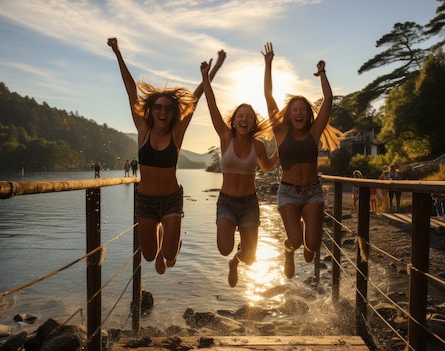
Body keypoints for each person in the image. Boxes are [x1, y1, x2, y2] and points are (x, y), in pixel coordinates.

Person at [108, 37, 225, 274]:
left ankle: (170, 247)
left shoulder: (177, 132)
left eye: (168, 108)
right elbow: (131, 91)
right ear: (151, 110)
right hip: (146, 201)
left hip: (171, 198)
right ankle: (161, 241)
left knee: (169, 255)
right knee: (149, 256)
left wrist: (212, 70)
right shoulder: (143, 130)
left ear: (173, 113)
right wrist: (118, 52)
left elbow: (197, 96)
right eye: (158, 107)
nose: (163, 111)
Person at [262, 42, 343, 279]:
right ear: (288, 114)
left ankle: (306, 244)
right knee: (296, 241)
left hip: (313, 192)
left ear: (308, 115)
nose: (298, 113)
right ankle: (288, 251)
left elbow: (328, 99)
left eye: (303, 110)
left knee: (312, 248)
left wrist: (323, 75)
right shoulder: (280, 131)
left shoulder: (314, 132)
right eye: (294, 109)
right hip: (288, 192)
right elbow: (268, 96)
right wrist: (268, 64)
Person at [200, 56, 279, 287]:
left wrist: (278, 154)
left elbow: (266, 167)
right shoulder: (226, 138)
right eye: (240, 116)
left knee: (251, 259)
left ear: (253, 122)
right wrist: (205, 77)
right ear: (234, 121)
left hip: (249, 203)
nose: (244, 119)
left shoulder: (258, 146)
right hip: (226, 202)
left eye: (249, 116)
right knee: (224, 247)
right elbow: (212, 105)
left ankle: (236, 261)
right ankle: (231, 255)